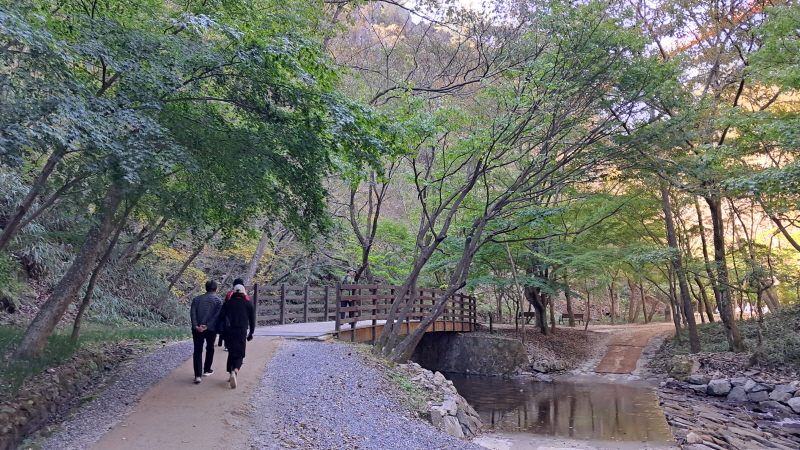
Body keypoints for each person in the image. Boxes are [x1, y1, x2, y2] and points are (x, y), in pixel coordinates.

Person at [218, 284, 255, 389]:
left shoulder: (227, 304)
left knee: (231, 351)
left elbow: (221, 318)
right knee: (239, 353)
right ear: (243, 293)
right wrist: (251, 333)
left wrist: (221, 332)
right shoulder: (248, 304)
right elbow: (252, 320)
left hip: (229, 331)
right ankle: (235, 371)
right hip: (241, 331)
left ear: (233, 293)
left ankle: (230, 373)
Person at [190, 280, 222, 384]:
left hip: (197, 329)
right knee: (210, 348)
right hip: (211, 329)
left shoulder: (196, 299)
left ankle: (197, 375)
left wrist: (196, 326)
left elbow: (193, 314)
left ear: (206, 288)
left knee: (197, 350)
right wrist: (207, 325)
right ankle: (207, 369)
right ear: (215, 289)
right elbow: (217, 316)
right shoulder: (218, 301)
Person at [218, 278, 251, 351]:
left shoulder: (229, 293)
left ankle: (227, 345)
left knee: (228, 329)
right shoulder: (245, 295)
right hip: (242, 317)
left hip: (229, 316)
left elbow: (226, 303)